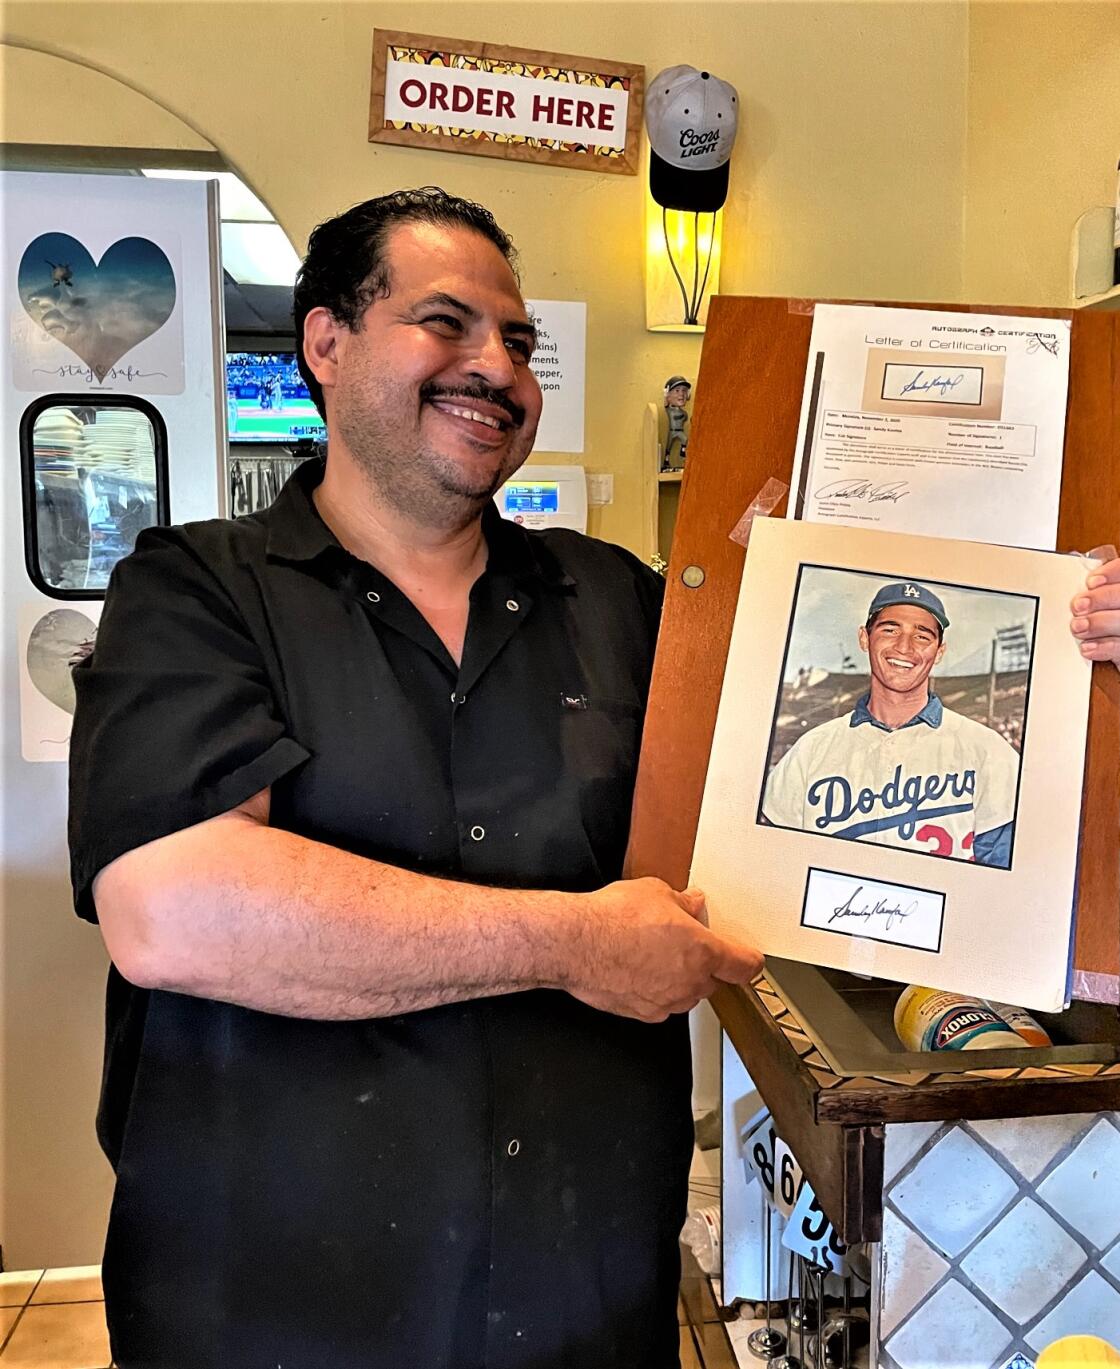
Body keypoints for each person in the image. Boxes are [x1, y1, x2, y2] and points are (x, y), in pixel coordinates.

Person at [67, 188, 762, 1369]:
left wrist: (1064, 661)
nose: (498, 366)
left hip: (581, 1297)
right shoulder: (192, 592)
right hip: (275, 1310)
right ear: (325, 344)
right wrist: (570, 940)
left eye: (521, 341)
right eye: (447, 323)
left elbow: (819, 756)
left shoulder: (623, 602)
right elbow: (171, 908)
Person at [761, 580, 1020, 867]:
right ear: (864, 638)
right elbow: (774, 864)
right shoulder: (810, 750)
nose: (904, 646)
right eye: (890, 630)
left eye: (922, 636)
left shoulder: (988, 751)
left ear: (940, 651)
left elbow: (1003, 879)